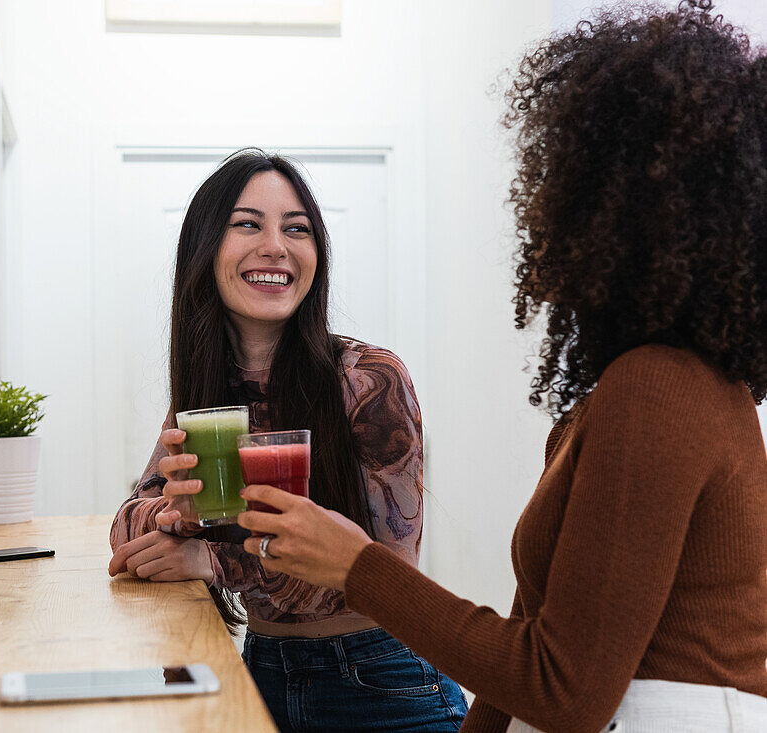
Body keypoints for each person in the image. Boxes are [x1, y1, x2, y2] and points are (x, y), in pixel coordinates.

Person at [233, 3, 767, 732]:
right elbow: (534, 650)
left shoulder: (661, 390)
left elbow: (565, 691)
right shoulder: (616, 399)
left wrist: (358, 564)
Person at [107, 149, 469, 731]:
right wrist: (173, 518)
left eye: (296, 228)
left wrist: (211, 558)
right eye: (248, 223)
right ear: (205, 250)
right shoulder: (206, 395)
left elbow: (387, 578)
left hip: (382, 683)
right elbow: (126, 521)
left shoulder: (369, 379)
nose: (276, 245)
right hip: (264, 671)